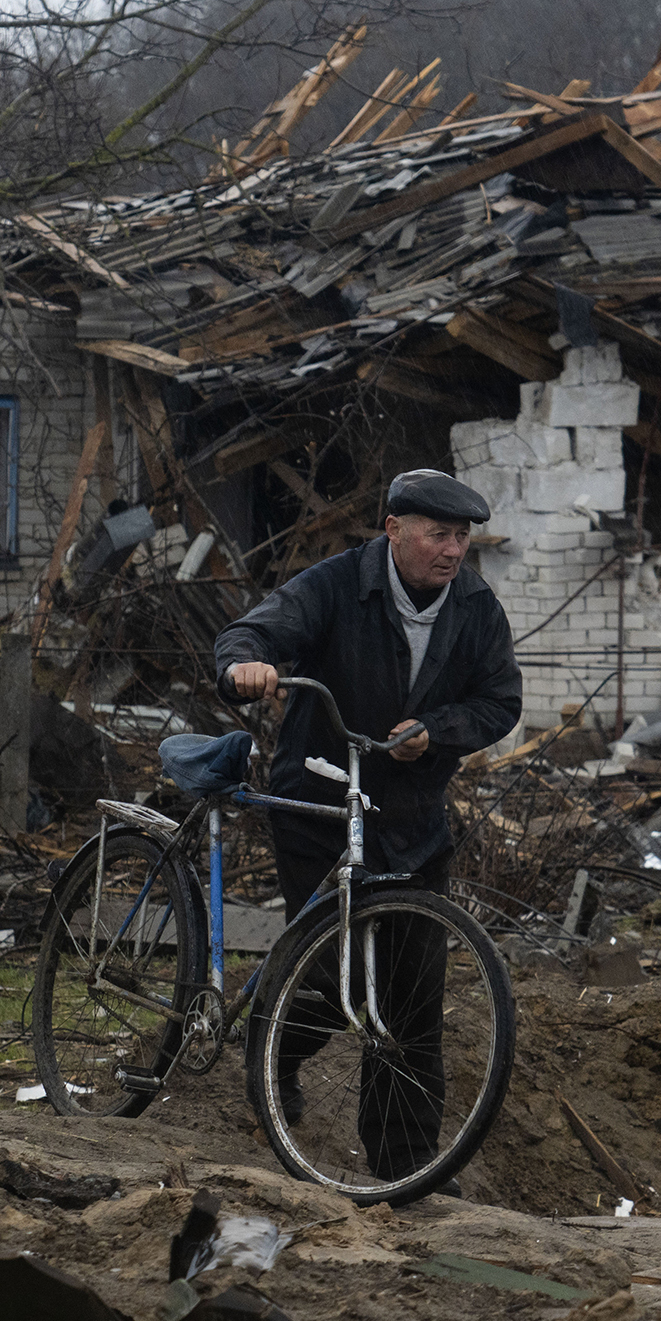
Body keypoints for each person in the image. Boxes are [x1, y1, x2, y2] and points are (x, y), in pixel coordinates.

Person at [212, 469, 521, 1185]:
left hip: (412, 819)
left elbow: (499, 700)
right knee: (326, 972)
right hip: (320, 804)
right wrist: (246, 664)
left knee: (414, 996)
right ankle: (276, 1058)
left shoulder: (474, 606)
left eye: (462, 537)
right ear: (394, 529)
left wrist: (437, 730)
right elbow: (255, 628)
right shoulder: (336, 584)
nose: (453, 550)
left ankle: (404, 1167)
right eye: (438, 534)